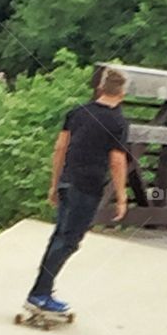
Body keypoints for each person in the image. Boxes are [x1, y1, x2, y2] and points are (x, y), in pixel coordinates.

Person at [26, 68, 130, 314]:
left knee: (59, 237)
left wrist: (54, 183)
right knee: (69, 241)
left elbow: (60, 148)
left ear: (101, 88)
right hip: (88, 187)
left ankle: (42, 289)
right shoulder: (118, 122)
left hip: (67, 181)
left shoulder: (77, 112)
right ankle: (39, 293)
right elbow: (117, 161)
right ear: (122, 92)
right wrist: (121, 197)